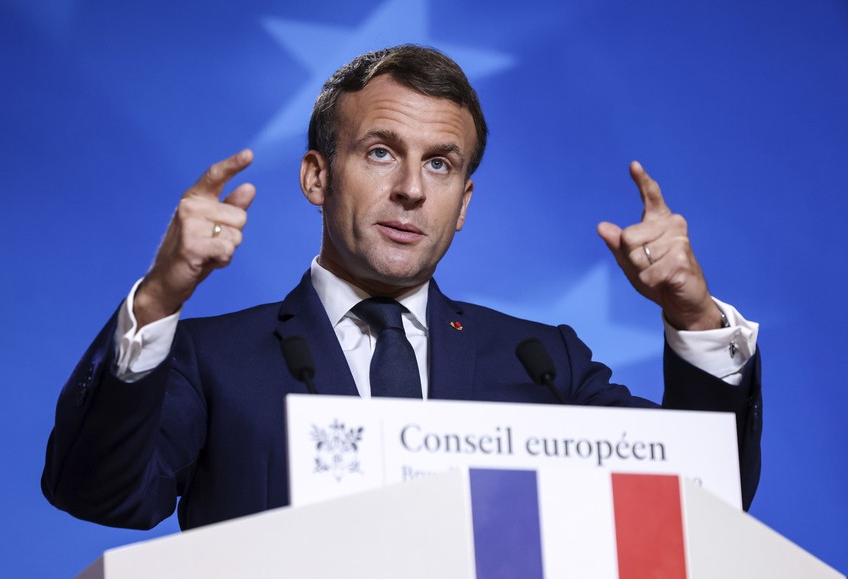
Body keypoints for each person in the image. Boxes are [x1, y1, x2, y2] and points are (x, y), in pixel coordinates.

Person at [42, 45, 761, 531]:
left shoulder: (541, 363)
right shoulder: (212, 358)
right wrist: (159, 300)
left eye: (441, 164)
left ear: (465, 203)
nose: (411, 189)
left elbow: (703, 498)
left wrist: (690, 314)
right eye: (380, 152)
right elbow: (98, 492)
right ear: (317, 177)